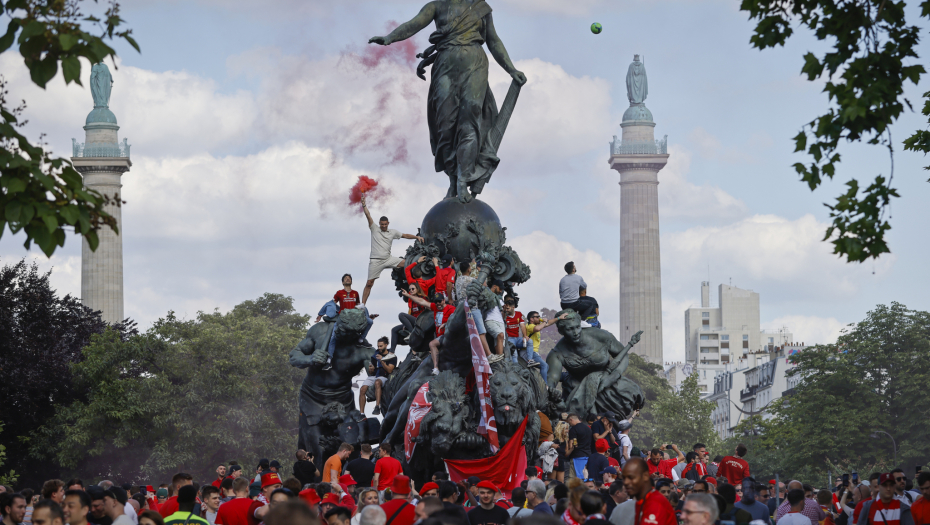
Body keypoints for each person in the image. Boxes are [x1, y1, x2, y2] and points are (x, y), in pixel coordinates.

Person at [360, 194, 424, 306]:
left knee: (409, 263)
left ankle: (420, 289)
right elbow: (368, 215)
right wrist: (364, 204)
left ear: (388, 223)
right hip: (376, 261)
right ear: (379, 224)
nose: (384, 226)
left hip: (388, 259)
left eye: (385, 224)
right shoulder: (374, 229)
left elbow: (405, 235)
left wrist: (416, 237)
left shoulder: (392, 232)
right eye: (382, 224)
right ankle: (362, 305)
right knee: (369, 283)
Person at [403, 292, 454, 375]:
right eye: (436, 302)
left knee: (432, 344)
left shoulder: (451, 309)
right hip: (438, 336)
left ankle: (436, 368)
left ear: (444, 300)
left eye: (439, 301)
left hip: (448, 336)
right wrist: (409, 295)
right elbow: (421, 301)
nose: (438, 304)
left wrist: (445, 324)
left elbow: (455, 320)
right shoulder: (435, 307)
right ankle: (434, 366)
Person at [621, 458, 676, 525]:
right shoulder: (621, 510)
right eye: (623, 478)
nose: (626, 482)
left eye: (631, 477)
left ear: (645, 476)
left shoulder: (660, 506)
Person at [360, 339, 396, 414]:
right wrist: (371, 369)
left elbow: (389, 370)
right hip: (374, 376)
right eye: (378, 346)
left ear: (386, 345)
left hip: (384, 376)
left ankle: (377, 406)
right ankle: (361, 413)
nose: (379, 348)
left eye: (381, 346)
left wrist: (382, 361)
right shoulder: (375, 355)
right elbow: (371, 371)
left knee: (377, 382)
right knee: (362, 389)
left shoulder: (392, 356)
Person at [389, 282, 427, 355]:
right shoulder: (411, 301)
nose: (411, 290)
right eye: (410, 289)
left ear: (417, 289)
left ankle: (412, 334)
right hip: (413, 322)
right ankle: (391, 352)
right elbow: (410, 315)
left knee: (401, 315)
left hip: (420, 321)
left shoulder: (422, 298)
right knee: (394, 330)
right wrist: (406, 324)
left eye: (413, 289)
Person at [524, 311, 560, 383]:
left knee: (545, 366)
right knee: (544, 366)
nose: (539, 318)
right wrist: (544, 321)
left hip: (535, 352)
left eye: (539, 316)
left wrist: (559, 318)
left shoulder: (537, 325)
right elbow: (537, 328)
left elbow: (548, 323)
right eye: (537, 317)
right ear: (531, 319)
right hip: (531, 352)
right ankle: (544, 386)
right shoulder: (529, 326)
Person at [566, 414, 593, 480]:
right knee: (586, 477)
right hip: (588, 455)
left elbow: (571, 444)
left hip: (577, 456)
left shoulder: (573, 429)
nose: (569, 424)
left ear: (571, 420)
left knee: (573, 479)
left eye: (569, 422)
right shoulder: (588, 428)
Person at [503, 298, 528, 364]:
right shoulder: (504, 315)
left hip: (517, 338)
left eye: (508, 308)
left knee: (529, 342)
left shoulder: (519, 314)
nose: (506, 310)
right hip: (509, 339)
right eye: (505, 308)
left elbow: (522, 326)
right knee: (514, 354)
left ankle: (529, 360)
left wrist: (525, 336)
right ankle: (516, 368)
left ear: (513, 307)